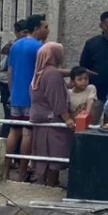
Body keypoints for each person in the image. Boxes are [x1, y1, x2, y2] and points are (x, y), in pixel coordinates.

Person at [29, 42, 75, 188]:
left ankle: (43, 182)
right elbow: (57, 100)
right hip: (52, 119)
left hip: (39, 117)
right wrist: (67, 119)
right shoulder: (52, 74)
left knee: (43, 152)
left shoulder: (40, 72)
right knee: (55, 153)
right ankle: (51, 183)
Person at [7, 15, 45, 181]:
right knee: (28, 134)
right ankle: (22, 173)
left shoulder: (15, 46)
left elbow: (9, 71)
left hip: (16, 95)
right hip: (32, 96)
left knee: (13, 132)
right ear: (36, 29)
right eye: (45, 27)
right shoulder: (40, 48)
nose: (47, 30)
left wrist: (12, 92)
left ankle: (5, 171)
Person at [79, 11, 108, 123]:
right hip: (96, 92)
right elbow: (83, 67)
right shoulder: (91, 43)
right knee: (91, 123)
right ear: (101, 25)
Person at [0, 20, 28, 139]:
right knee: (9, 119)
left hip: (18, 87)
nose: (26, 35)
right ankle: (3, 145)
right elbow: (2, 69)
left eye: (27, 32)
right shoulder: (10, 48)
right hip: (7, 86)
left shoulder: (22, 47)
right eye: (23, 32)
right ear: (16, 33)